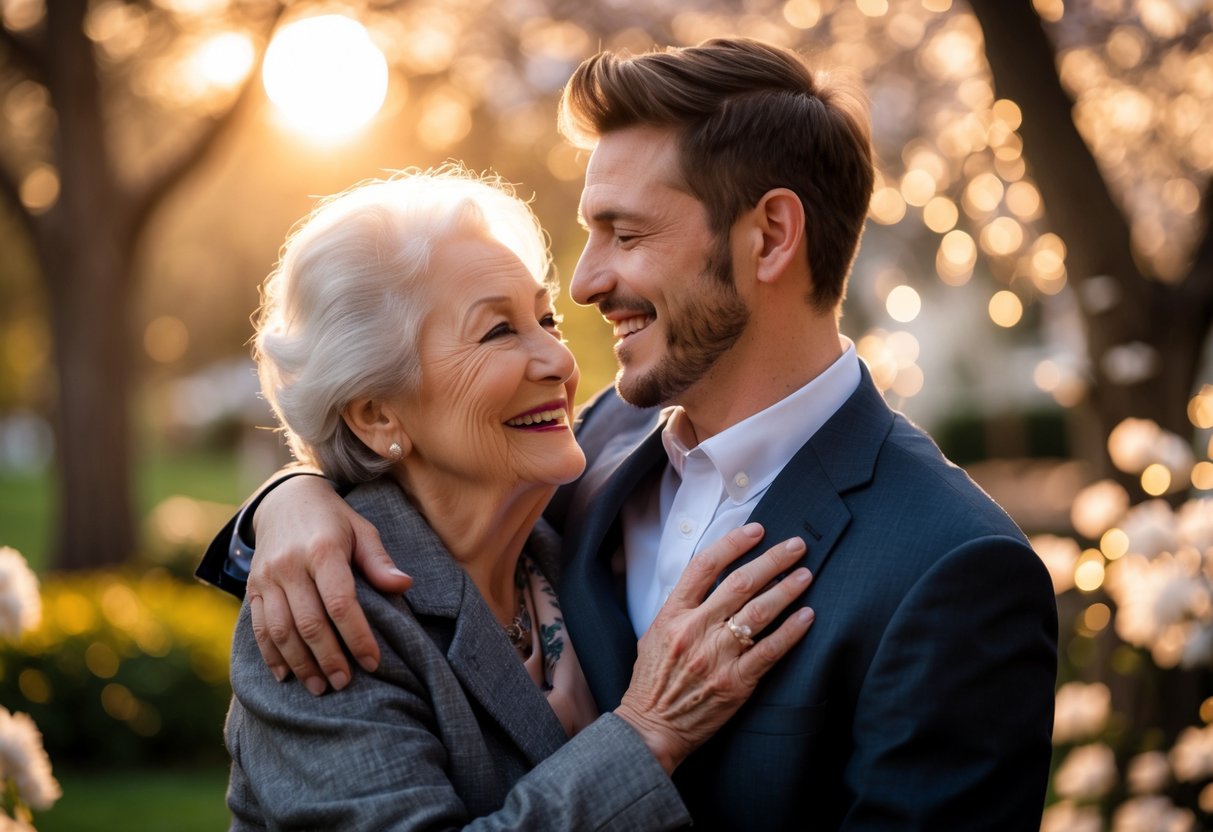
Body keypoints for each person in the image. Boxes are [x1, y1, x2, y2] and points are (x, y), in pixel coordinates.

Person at [200, 38, 1058, 829]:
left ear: (769, 237)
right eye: (586, 236)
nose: (584, 285)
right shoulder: (595, 451)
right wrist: (290, 496)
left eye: (625, 232)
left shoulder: (950, 568)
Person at [218, 167, 816, 829]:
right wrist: (648, 733)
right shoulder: (325, 617)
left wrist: (284, 492)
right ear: (377, 415)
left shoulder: (574, 523)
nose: (559, 362)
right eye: (498, 332)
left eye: (545, 318)